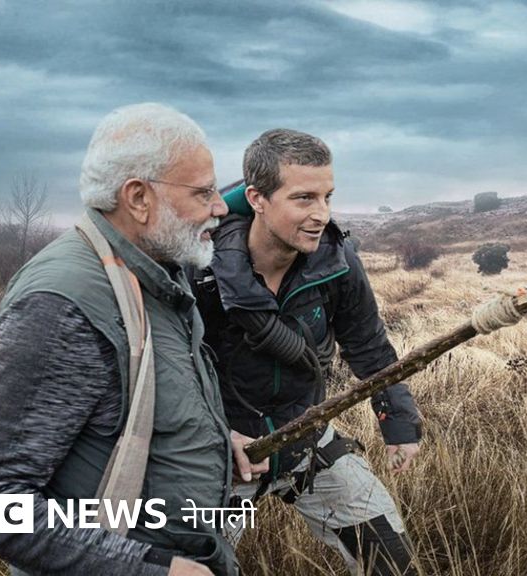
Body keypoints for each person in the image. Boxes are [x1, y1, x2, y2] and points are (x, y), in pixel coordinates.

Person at [0, 103, 266, 576]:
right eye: (203, 192)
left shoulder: (156, 276)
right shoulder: (64, 303)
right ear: (138, 198)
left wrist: (212, 442)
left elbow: (126, 413)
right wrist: (153, 569)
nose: (220, 207)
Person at [192, 129, 422, 575]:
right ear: (257, 199)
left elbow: (368, 344)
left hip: (307, 441)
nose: (321, 215)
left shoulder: (336, 261)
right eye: (303, 199)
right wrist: (216, 435)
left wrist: (398, 423)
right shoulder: (196, 269)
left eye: (327, 197)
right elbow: (161, 372)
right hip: (222, 459)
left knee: (394, 566)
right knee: (192, 568)